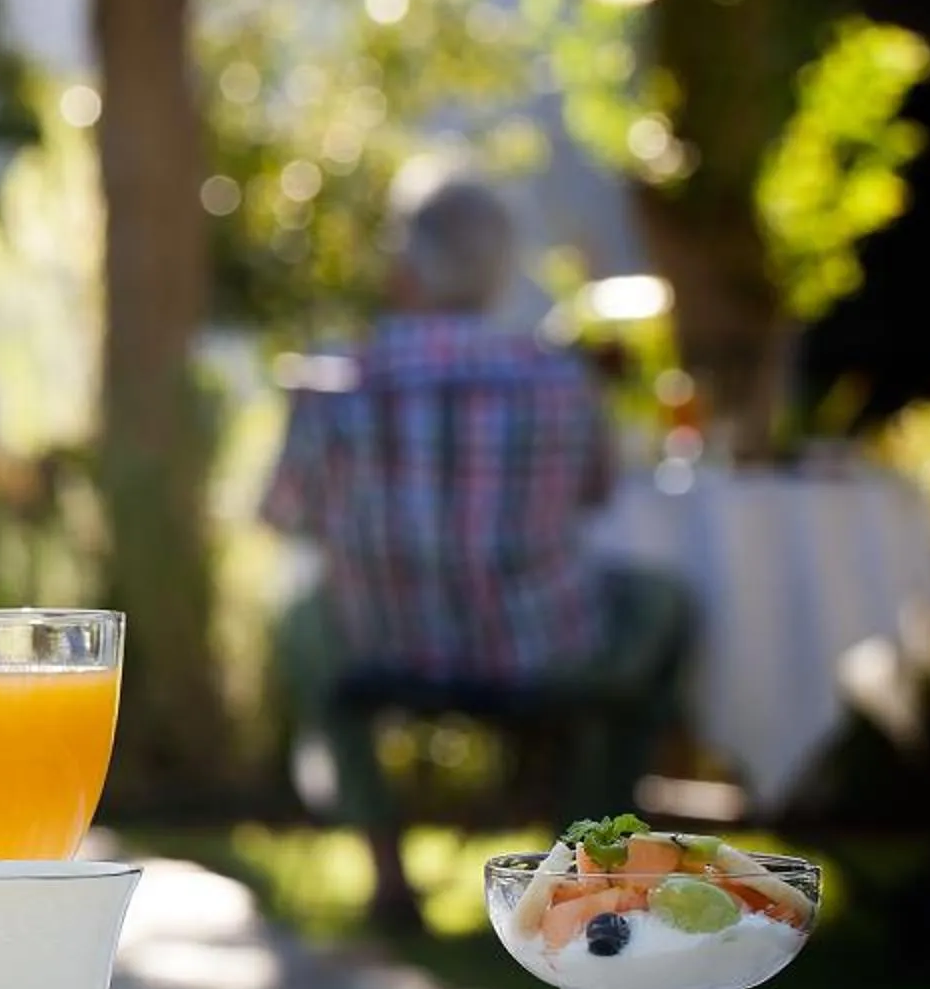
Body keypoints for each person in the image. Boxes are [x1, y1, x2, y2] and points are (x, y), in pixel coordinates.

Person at [263, 167, 692, 927]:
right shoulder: (563, 381)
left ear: (405, 266)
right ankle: (584, 857)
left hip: (384, 642)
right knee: (669, 608)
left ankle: (388, 874)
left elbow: (283, 512)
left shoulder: (335, 382)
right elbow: (599, 492)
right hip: (544, 644)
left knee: (301, 621)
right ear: (500, 269)